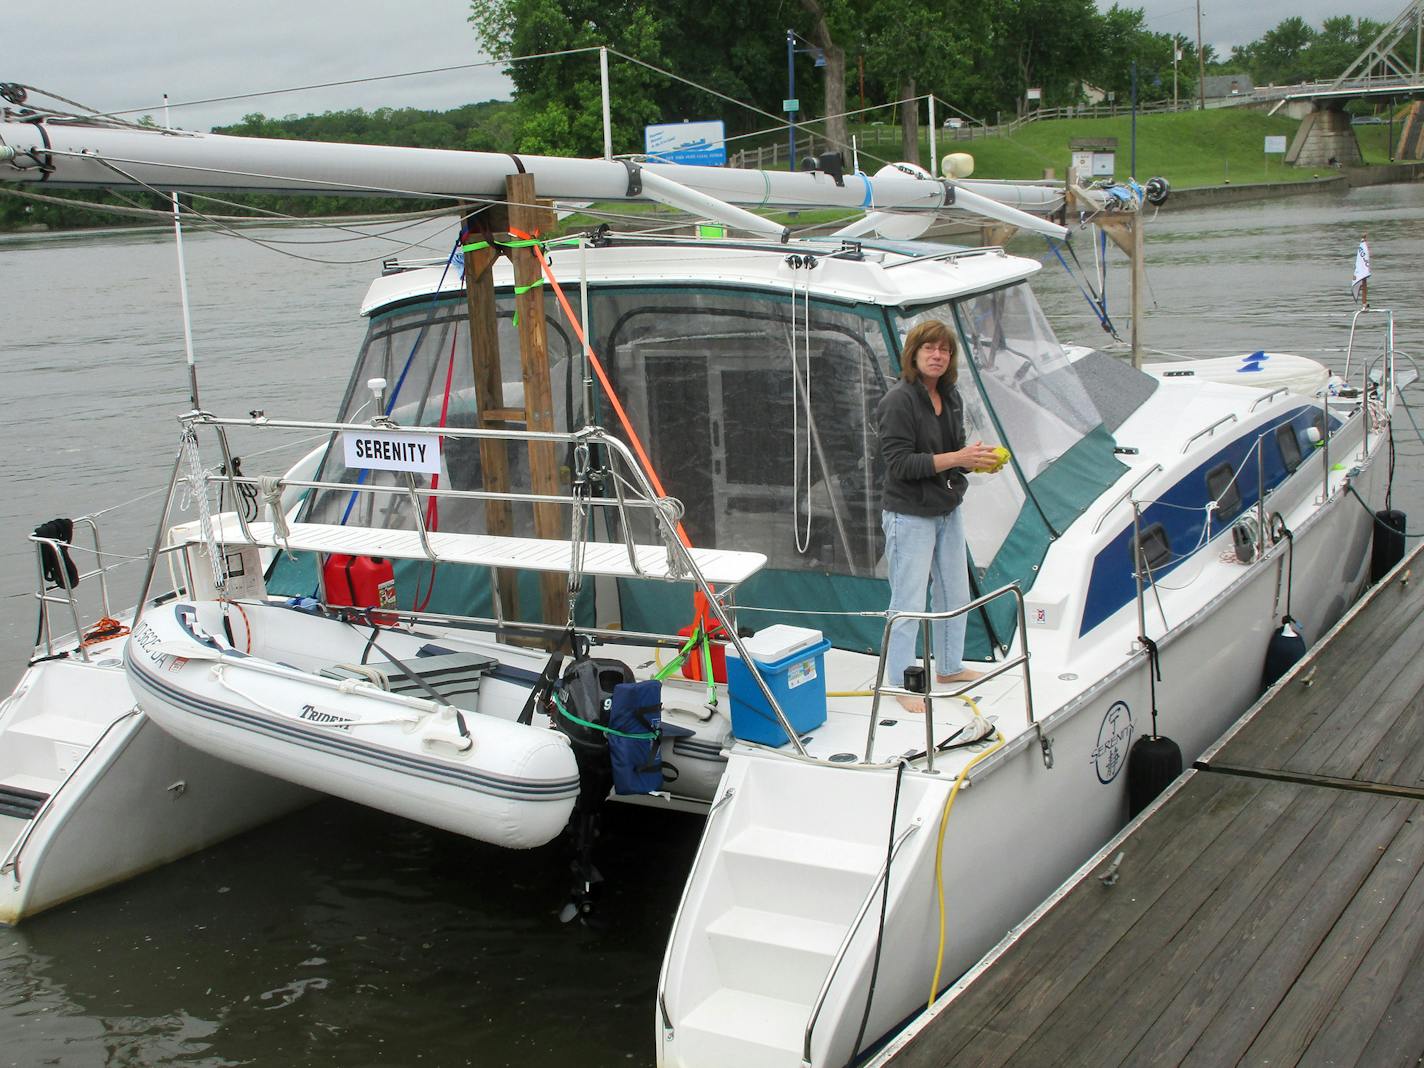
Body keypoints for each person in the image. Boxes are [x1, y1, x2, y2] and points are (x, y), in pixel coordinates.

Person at [876, 320, 999, 713]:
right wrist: (958, 458)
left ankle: (948, 667)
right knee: (908, 600)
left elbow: (953, 454)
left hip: (947, 509)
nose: (937, 355)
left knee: (954, 593)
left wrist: (976, 461)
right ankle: (898, 681)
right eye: (928, 348)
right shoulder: (898, 401)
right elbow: (899, 464)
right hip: (909, 515)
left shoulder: (951, 396)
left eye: (944, 350)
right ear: (913, 353)